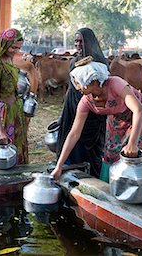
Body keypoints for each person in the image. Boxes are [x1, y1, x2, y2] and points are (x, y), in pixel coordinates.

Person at [51, 59, 142, 182]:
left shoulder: (115, 84)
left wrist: (132, 143)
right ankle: (110, 186)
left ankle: (133, 189)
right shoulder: (86, 101)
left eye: (78, 82)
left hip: (139, 118)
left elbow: (138, 110)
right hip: (117, 119)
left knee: (131, 158)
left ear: (91, 80)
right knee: (110, 155)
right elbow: (74, 133)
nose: (76, 86)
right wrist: (59, 166)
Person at [56, 28, 109, 178]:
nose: (78, 44)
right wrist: (62, 115)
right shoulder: (74, 62)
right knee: (71, 137)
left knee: (90, 148)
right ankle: (69, 173)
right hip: (72, 108)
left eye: (81, 41)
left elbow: (102, 88)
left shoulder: (100, 62)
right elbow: (72, 88)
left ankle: (91, 177)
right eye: (76, 41)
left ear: (89, 42)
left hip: (92, 112)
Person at [0, 28, 28, 168]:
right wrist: (0, 129)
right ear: (4, 43)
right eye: (13, 47)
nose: (15, 51)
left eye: (18, 48)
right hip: (4, 115)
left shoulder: (9, 60)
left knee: (17, 150)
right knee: (4, 153)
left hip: (16, 112)